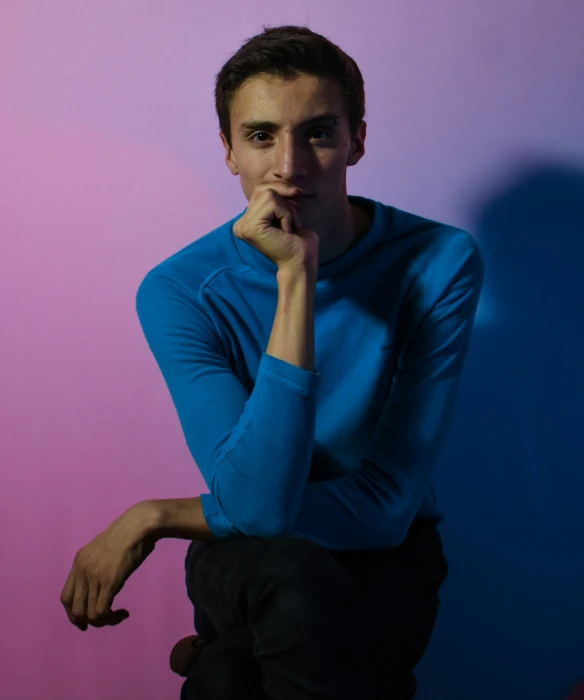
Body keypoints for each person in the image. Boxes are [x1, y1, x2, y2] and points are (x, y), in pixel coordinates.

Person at [60, 23, 484, 700]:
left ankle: (224, 655)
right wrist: (297, 281)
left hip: (385, 556)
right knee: (294, 584)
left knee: (227, 682)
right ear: (229, 151)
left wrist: (158, 514)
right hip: (246, 556)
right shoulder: (177, 291)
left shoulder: (437, 262)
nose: (290, 165)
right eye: (261, 136)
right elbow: (257, 507)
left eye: (318, 131)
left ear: (357, 139)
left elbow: (383, 509)